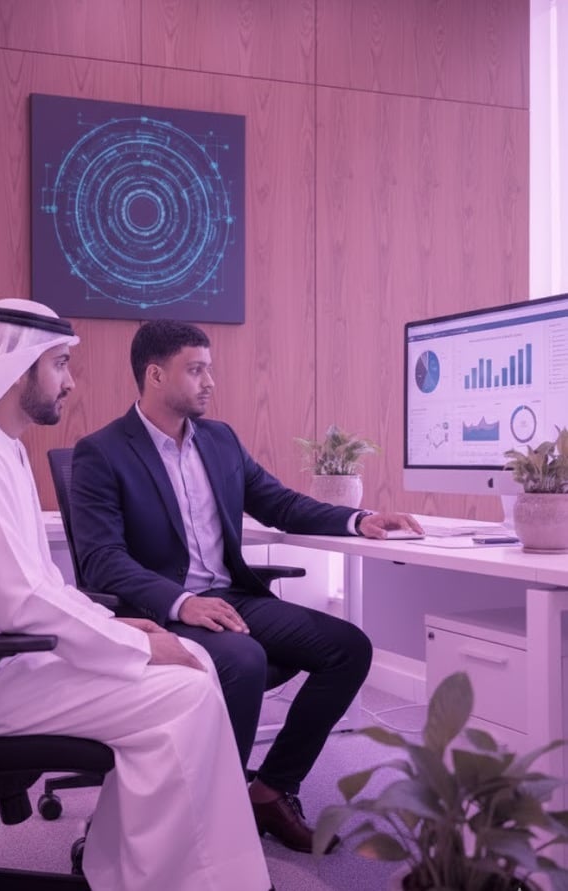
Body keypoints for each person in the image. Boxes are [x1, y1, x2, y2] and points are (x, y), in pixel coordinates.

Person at [0, 300, 273, 891]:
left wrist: (126, 630)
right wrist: (131, 647)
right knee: (184, 692)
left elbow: (37, 585)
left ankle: (126, 869)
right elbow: (18, 600)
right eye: (58, 364)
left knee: (195, 665)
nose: (69, 382)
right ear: (18, 366)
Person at [70, 318, 423, 855]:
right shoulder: (103, 452)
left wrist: (358, 519)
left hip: (231, 597)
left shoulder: (220, 440)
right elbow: (101, 561)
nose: (210, 381)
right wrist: (182, 602)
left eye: (210, 369)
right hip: (160, 611)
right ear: (156, 375)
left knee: (348, 648)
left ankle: (269, 790)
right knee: (243, 659)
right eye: (196, 370)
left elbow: (280, 504)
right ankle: (214, 821)